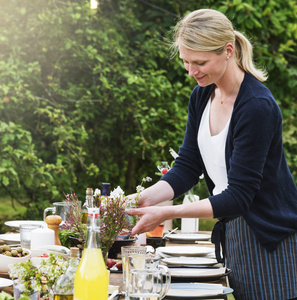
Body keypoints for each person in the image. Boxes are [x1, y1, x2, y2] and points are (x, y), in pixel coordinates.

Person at [126, 8, 297, 300]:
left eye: (200, 62)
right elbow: (187, 167)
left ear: (228, 50)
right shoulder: (202, 94)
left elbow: (239, 196)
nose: (192, 71)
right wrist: (142, 199)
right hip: (235, 233)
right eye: (186, 62)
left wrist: (167, 212)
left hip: (271, 239)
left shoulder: (257, 106)